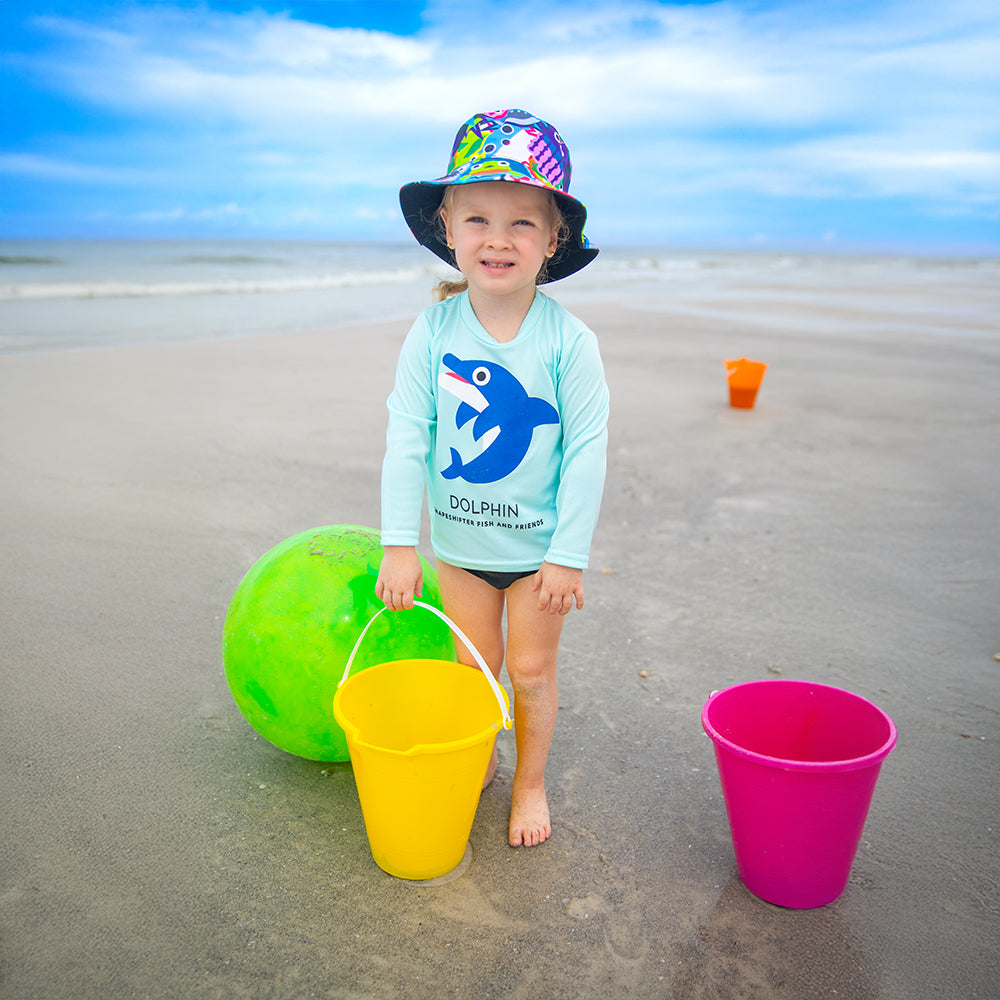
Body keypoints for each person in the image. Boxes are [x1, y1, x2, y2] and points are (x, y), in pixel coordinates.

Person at [376, 109, 609, 848]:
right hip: (459, 548)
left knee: (532, 675)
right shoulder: (433, 332)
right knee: (472, 669)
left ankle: (530, 784)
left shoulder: (569, 341)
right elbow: (407, 436)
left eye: (522, 224)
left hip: (539, 558)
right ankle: (478, 757)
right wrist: (398, 544)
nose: (498, 239)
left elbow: (587, 449)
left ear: (552, 239)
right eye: (477, 218)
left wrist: (568, 553)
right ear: (448, 228)